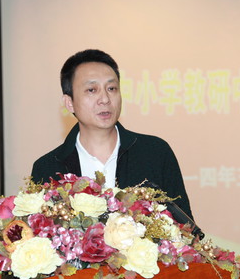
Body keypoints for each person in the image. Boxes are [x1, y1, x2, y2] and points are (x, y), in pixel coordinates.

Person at [31, 49, 197, 225]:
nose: (105, 99)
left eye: (111, 88)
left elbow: (187, 230)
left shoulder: (155, 153)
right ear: (69, 103)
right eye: (92, 90)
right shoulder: (47, 168)